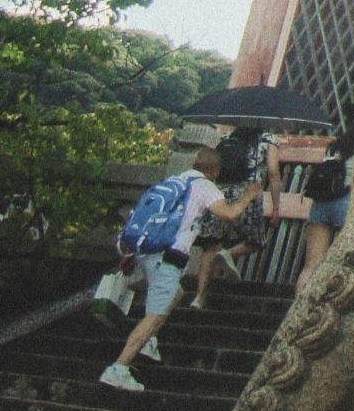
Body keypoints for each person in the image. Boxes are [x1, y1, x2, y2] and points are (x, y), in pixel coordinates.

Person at [100, 147, 260, 392]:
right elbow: (229, 214)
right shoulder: (205, 186)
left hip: (148, 250)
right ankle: (119, 368)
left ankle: (148, 340)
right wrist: (248, 196)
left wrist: (132, 252)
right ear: (215, 170)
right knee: (153, 315)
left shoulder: (175, 180)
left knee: (176, 294)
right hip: (170, 257)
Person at [295, 82, 354, 290]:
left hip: (320, 204)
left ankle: (296, 315)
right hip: (348, 204)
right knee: (349, 266)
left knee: (310, 266)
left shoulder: (338, 143)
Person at [190, 124, 281, 308]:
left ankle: (199, 297)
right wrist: (276, 208)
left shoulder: (228, 139)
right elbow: (273, 173)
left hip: (220, 195)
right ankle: (228, 253)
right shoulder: (268, 139)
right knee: (255, 241)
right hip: (248, 195)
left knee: (211, 246)